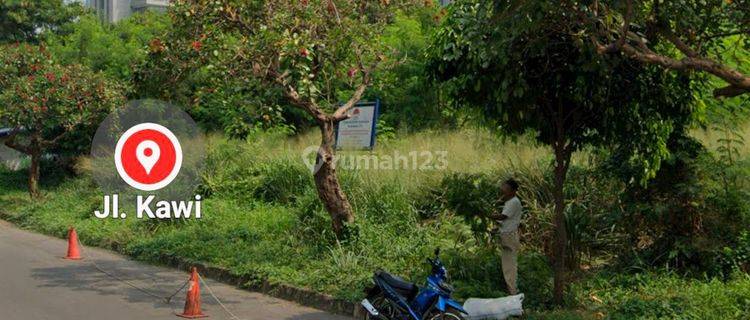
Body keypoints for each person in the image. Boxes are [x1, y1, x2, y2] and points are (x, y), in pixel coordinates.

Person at [494, 178, 523, 295]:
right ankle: (511, 291)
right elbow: (507, 222)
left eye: (505, 189)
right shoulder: (509, 202)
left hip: (509, 237)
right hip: (507, 235)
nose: (503, 191)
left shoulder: (514, 202)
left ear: (512, 190)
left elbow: (503, 217)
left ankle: (513, 293)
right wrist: (497, 229)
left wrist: (487, 214)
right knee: (507, 265)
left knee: (509, 266)